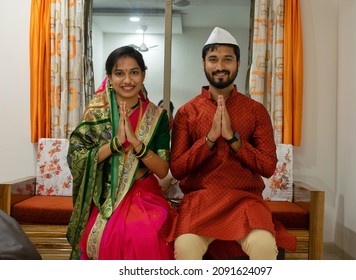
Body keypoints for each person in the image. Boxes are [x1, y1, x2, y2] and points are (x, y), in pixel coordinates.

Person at [161, 27, 279, 260]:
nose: (220, 66)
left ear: (238, 63)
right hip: (200, 201)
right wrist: (210, 139)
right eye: (213, 59)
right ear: (203, 63)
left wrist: (235, 139)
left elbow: (268, 167)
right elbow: (178, 168)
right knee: (186, 247)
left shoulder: (256, 111)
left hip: (245, 200)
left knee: (264, 247)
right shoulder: (187, 112)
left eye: (228, 59)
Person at [66, 46, 174, 260]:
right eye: (119, 73)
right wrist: (116, 143)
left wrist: (137, 144)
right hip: (104, 194)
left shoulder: (157, 115)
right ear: (109, 78)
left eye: (134, 72)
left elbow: (162, 171)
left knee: (148, 233)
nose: (127, 80)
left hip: (145, 193)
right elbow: (77, 158)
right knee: (99, 237)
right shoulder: (97, 113)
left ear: (143, 75)